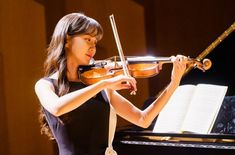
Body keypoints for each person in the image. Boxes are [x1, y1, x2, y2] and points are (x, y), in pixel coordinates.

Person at [34, 12, 187, 155]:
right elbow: (58, 107)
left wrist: (174, 83)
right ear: (67, 39)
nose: (93, 48)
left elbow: (143, 119)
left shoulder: (101, 86)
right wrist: (103, 84)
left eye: (95, 42)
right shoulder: (45, 85)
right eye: (88, 39)